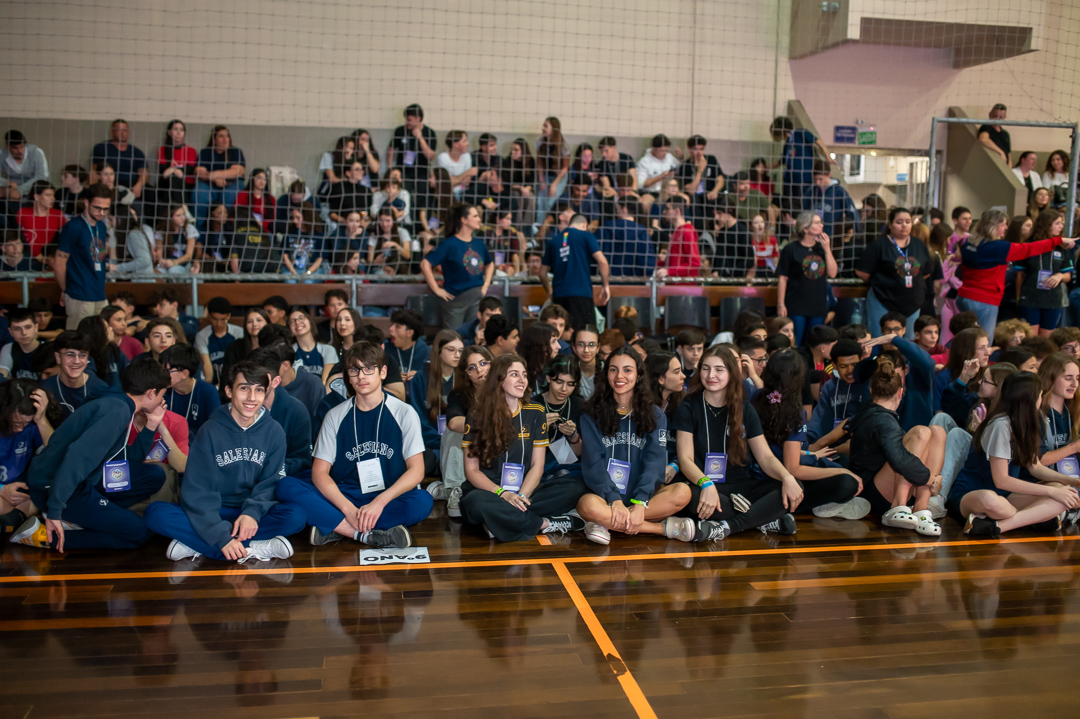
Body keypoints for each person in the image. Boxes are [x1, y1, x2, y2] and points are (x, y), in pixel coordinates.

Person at [276, 342, 434, 549]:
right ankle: (361, 531)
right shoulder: (335, 415)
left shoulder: (404, 413)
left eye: (369, 369)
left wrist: (379, 503)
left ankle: (334, 526)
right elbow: (320, 473)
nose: (361, 376)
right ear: (348, 376)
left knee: (422, 501)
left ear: (383, 372)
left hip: (387, 495)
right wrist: (348, 508)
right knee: (286, 486)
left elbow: (417, 470)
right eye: (354, 370)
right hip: (344, 495)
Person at [143, 361, 304, 562]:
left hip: (252, 514)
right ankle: (252, 547)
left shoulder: (274, 431)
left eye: (259, 390)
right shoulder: (209, 431)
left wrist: (252, 514)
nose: (252, 398)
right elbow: (198, 490)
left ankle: (197, 544)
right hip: (213, 511)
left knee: (296, 515)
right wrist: (220, 536)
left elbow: (270, 482)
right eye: (244, 388)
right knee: (156, 514)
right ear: (228, 391)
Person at [10, 359, 171, 551]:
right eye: (162, 393)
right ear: (152, 392)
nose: (162, 398)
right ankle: (45, 536)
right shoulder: (117, 411)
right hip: (58, 487)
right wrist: (55, 510)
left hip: (81, 479)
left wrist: (151, 425)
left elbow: (126, 458)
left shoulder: (118, 402)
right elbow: (76, 458)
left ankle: (87, 517)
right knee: (138, 533)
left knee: (153, 475)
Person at [671, 345, 801, 541]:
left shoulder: (745, 408)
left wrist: (787, 476)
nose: (710, 375)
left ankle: (728, 526)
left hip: (741, 486)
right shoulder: (689, 406)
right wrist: (706, 484)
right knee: (689, 497)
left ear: (732, 373)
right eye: (705, 368)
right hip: (703, 484)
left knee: (792, 484)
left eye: (719, 369)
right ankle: (761, 519)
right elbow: (685, 458)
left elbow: (765, 457)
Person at [574, 347, 699, 544]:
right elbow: (593, 463)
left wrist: (640, 502)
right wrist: (614, 500)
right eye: (613, 369)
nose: (619, 376)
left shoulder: (655, 414)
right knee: (587, 506)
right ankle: (661, 529)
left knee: (683, 492)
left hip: (644, 498)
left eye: (627, 370)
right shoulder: (591, 413)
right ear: (606, 374)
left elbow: (655, 460)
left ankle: (605, 523)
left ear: (639, 375)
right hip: (604, 497)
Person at [458, 353, 588, 541]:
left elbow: (537, 466)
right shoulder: (476, 415)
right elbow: (471, 470)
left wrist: (520, 496)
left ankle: (501, 521)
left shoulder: (535, 412)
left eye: (524, 375)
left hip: (525, 489)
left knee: (578, 486)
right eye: (514, 374)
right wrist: (502, 494)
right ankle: (544, 524)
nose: (522, 380)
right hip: (489, 491)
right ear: (499, 379)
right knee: (474, 503)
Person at [951, 372, 1080, 537]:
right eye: (1040, 395)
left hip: (1006, 495)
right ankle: (1035, 518)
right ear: (1030, 398)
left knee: (1065, 493)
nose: (1041, 400)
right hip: (974, 492)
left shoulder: (1028, 421)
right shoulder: (1000, 425)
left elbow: (1035, 467)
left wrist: (1070, 481)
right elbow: (1001, 480)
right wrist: (1050, 492)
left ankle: (996, 526)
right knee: (992, 501)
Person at [751, 350, 869, 519]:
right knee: (846, 480)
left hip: (764, 468)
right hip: (779, 477)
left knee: (838, 459)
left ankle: (827, 502)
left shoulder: (758, 396)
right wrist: (842, 472)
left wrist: (810, 454)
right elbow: (793, 469)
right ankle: (816, 504)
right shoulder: (794, 412)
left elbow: (773, 447)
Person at [847, 358, 946, 536]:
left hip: (883, 484)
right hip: (873, 494)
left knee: (938, 431)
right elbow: (900, 461)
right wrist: (932, 479)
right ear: (901, 393)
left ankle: (921, 510)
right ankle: (898, 506)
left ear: (871, 391)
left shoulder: (870, 414)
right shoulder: (884, 420)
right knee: (921, 432)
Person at [958, 209, 1073, 339]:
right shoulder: (998, 247)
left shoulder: (969, 242)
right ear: (993, 226)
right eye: (1003, 224)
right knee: (982, 341)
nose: (1006, 227)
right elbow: (1029, 249)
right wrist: (1058, 240)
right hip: (983, 300)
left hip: (964, 296)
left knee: (965, 340)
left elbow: (960, 257)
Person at [856, 207, 932, 338]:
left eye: (908, 222)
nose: (904, 225)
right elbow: (862, 272)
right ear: (890, 224)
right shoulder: (879, 245)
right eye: (899, 222)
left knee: (908, 343)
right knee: (879, 339)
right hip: (883, 300)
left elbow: (926, 272)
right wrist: (882, 282)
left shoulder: (919, 244)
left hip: (912, 303)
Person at [436, 345, 493, 517]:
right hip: (474, 443)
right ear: (466, 373)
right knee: (455, 432)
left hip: (497, 445)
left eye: (483, 363)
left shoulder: (504, 388)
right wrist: (488, 425)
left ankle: (444, 488)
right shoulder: (460, 394)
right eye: (472, 367)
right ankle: (455, 488)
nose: (479, 370)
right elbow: (453, 423)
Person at [420, 204, 494, 329]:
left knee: (473, 337)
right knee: (453, 338)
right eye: (475, 216)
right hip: (455, 299)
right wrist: (436, 289)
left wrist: (486, 284)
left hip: (476, 298)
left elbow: (490, 263)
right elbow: (425, 264)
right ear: (463, 220)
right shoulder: (449, 244)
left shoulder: (479, 243)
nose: (479, 219)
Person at [246, 347, 313, 479]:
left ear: (275, 381)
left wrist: (268, 468)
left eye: (260, 379)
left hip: (281, 479)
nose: (253, 385)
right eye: (249, 378)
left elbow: (302, 461)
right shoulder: (236, 408)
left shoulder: (296, 410)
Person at [0, 381, 58, 531]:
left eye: (25, 423)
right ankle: (14, 518)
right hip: (3, 491)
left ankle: (9, 521)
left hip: (20, 490)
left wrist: (41, 419)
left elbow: (55, 454)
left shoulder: (31, 425)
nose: (20, 428)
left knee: (46, 495)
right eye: (16, 422)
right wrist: (2, 490)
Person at [54, 183, 113, 328]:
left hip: (99, 293)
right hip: (79, 294)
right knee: (78, 341)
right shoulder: (73, 226)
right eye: (97, 208)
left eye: (106, 209)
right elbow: (59, 263)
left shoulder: (102, 226)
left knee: (101, 339)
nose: (101, 212)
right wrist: (66, 290)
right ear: (87, 203)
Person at [540, 214, 612, 332]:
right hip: (581, 294)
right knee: (585, 332)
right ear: (585, 225)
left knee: (561, 333)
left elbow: (542, 273)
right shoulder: (586, 235)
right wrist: (605, 285)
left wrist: (549, 291)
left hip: (559, 295)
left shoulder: (555, 240)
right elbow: (602, 262)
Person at [777, 211, 838, 345]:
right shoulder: (790, 249)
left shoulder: (822, 249)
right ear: (805, 228)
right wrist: (781, 304)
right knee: (796, 342)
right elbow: (783, 278)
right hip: (796, 304)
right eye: (817, 223)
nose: (821, 225)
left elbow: (833, 273)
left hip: (817, 304)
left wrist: (827, 249)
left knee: (815, 343)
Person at [1017, 210, 1074, 335]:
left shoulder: (1062, 247)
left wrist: (1059, 275)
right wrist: (1018, 297)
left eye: (1062, 223)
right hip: (1030, 297)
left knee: (1046, 341)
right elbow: (1019, 275)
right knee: (1030, 338)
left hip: (1053, 299)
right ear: (1047, 224)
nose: (1061, 226)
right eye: (1057, 223)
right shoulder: (1028, 245)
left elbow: (1068, 276)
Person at [806, 339, 869, 447]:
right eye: (843, 366)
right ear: (834, 365)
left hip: (861, 445)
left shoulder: (870, 385)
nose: (850, 371)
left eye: (854, 364)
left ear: (861, 360)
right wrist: (806, 442)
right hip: (830, 445)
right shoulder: (830, 387)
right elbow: (818, 421)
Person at [770, 116, 832, 216]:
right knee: (787, 206)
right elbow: (782, 161)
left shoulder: (800, 133)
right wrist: (768, 167)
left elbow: (817, 141)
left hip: (802, 180)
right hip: (789, 180)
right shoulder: (787, 143)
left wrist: (828, 157)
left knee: (800, 206)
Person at [40, 330, 108, 421]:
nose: (76, 361)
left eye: (82, 355)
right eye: (70, 355)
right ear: (58, 357)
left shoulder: (100, 389)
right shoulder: (45, 389)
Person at [161, 344, 221, 437]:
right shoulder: (162, 391)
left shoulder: (208, 391)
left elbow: (215, 428)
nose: (162, 375)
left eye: (166, 371)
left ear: (185, 373)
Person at [193, 125, 246, 229]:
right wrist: (214, 178)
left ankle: (230, 230)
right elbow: (198, 171)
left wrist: (216, 174)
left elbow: (238, 171)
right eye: (221, 136)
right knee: (199, 193)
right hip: (209, 184)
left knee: (230, 195)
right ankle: (199, 229)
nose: (225, 139)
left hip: (231, 184)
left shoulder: (236, 152)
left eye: (227, 136)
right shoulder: (206, 152)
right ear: (214, 139)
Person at [596, 196, 656, 278]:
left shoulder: (604, 230)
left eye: (618, 208)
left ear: (624, 209)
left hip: (606, 282)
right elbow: (648, 265)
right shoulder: (643, 234)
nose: (616, 210)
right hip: (634, 284)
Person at [932, 327, 990, 413]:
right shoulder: (943, 377)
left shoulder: (989, 375)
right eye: (981, 348)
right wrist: (962, 380)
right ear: (965, 351)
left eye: (987, 346)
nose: (987, 353)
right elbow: (939, 414)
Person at [386, 104, 437, 198]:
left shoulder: (429, 133)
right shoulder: (400, 131)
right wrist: (390, 169)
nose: (407, 122)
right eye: (406, 119)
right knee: (405, 195)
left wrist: (420, 138)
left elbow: (430, 156)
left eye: (409, 120)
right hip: (404, 171)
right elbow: (391, 149)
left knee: (422, 197)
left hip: (422, 172)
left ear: (418, 118)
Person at [801, 160, 858, 242]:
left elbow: (852, 214)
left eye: (820, 179)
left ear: (829, 175)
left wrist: (852, 237)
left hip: (832, 238)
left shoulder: (839, 192)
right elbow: (804, 212)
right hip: (812, 238)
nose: (817, 182)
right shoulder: (811, 191)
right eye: (815, 179)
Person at [90, 120, 148, 199]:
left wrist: (139, 185)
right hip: (111, 185)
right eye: (118, 130)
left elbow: (144, 172)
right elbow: (94, 171)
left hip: (132, 185)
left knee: (151, 194)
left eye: (125, 130)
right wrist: (96, 188)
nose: (122, 133)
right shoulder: (101, 148)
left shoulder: (136, 152)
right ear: (112, 132)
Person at [194, 297, 243, 385]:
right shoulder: (202, 336)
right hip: (214, 379)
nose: (219, 324)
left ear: (228, 316)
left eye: (223, 319)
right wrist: (209, 384)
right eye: (215, 319)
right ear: (209, 316)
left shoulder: (238, 333)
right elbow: (206, 363)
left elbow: (241, 362)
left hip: (234, 380)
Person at [16, 180, 65, 265]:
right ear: (37, 197)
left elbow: (63, 239)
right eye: (48, 195)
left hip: (51, 259)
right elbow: (19, 237)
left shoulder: (58, 215)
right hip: (27, 259)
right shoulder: (23, 213)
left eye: (53, 195)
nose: (53, 198)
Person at [220, 308, 270, 385]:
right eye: (250, 321)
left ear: (267, 323)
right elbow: (227, 377)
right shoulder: (234, 348)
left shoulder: (273, 347)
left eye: (259, 320)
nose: (254, 324)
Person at [156, 119, 198, 210]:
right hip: (166, 183)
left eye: (181, 130)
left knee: (175, 178)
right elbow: (162, 169)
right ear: (169, 132)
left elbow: (189, 170)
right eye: (175, 129)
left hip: (185, 184)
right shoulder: (163, 149)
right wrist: (177, 170)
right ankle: (184, 210)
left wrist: (172, 169)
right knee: (173, 178)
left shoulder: (191, 150)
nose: (179, 133)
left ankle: (173, 213)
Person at [287, 308, 337, 385]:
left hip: (322, 393)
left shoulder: (328, 350)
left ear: (310, 323)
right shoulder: (288, 352)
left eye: (301, 318)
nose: (297, 322)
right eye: (292, 321)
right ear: (290, 331)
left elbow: (325, 381)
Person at [710, 195, 755, 279]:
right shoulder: (723, 231)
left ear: (729, 211)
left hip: (735, 280)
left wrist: (727, 272)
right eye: (715, 214)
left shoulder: (742, 231)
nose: (716, 217)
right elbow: (719, 255)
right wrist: (715, 271)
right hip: (719, 280)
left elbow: (749, 260)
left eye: (719, 213)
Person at [1, 130, 50, 202]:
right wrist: (7, 183)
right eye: (15, 148)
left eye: (22, 147)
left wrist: (20, 190)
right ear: (7, 147)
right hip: (11, 190)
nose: (20, 151)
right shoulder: (2, 154)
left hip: (34, 190)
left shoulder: (36, 152)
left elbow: (42, 177)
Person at [674, 135, 724, 205]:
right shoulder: (685, 166)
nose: (699, 152)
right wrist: (700, 171)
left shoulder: (711, 160)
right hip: (694, 197)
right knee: (694, 199)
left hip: (709, 194)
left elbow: (720, 178)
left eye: (701, 149)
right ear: (689, 149)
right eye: (696, 149)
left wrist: (715, 190)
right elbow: (691, 190)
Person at [660, 196, 701, 278]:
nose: (664, 211)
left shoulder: (687, 231)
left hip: (684, 286)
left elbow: (694, 263)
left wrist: (670, 271)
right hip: (675, 284)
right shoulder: (677, 231)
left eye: (667, 208)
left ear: (677, 211)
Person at [233, 168, 276, 233]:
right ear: (252, 179)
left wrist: (262, 224)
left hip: (264, 230)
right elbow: (236, 214)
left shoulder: (271, 199)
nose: (262, 181)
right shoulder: (243, 195)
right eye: (259, 178)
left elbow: (273, 219)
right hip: (246, 228)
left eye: (264, 179)